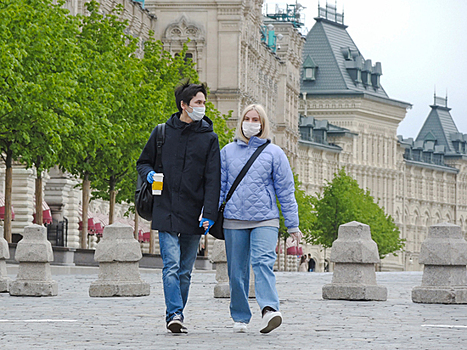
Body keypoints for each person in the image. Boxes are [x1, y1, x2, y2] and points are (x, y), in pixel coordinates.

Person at [137, 81, 220, 334]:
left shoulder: (210, 138)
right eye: (198, 102)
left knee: (185, 270)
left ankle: (178, 313)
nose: (202, 107)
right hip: (166, 208)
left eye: (204, 103)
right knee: (171, 265)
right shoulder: (161, 132)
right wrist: (150, 174)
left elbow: (213, 179)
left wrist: (209, 214)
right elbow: (143, 163)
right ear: (184, 105)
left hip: (195, 213)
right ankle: (174, 313)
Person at [218, 104, 300, 334]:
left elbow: (286, 191)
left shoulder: (275, 153)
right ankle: (241, 316)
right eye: (247, 118)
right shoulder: (227, 152)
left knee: (263, 262)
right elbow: (220, 188)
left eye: (256, 119)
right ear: (241, 121)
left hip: (266, 219)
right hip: (234, 219)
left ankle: (270, 309)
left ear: (263, 125)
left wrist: (293, 224)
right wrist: (209, 216)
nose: (251, 122)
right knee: (236, 271)